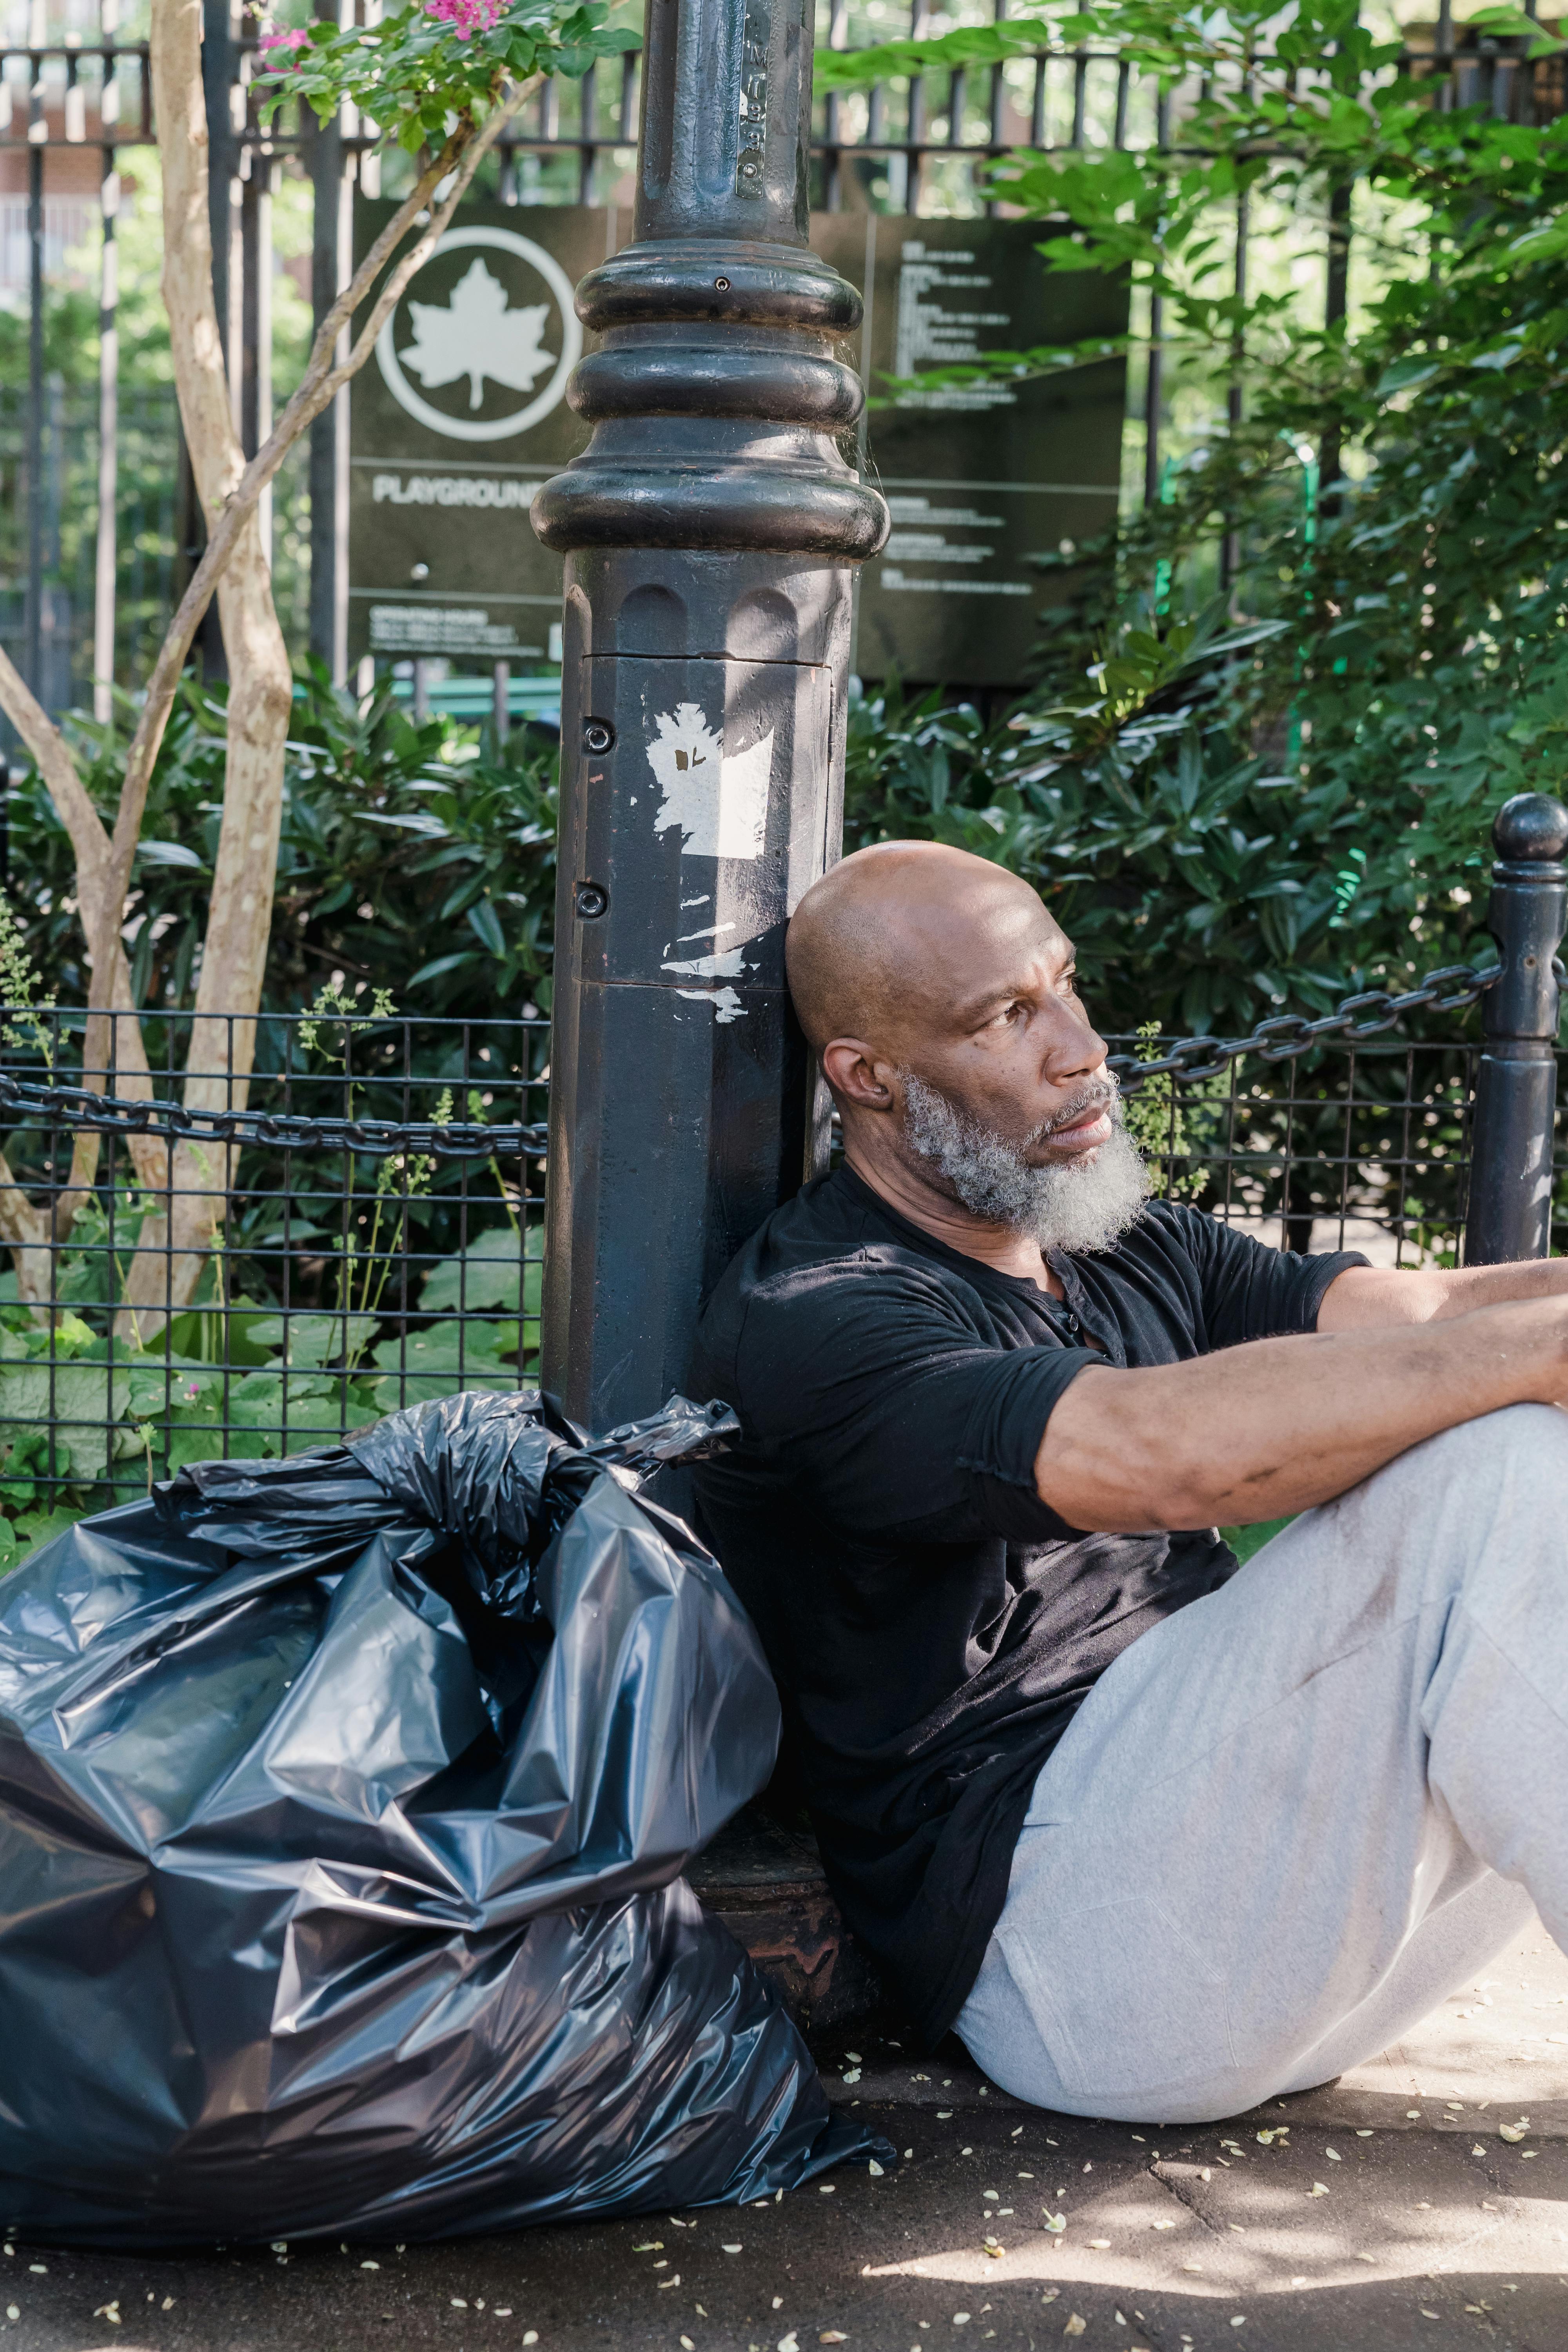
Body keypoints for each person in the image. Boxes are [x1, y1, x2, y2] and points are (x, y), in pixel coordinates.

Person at [689, 838, 1568, 2122]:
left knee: (1511, 1420)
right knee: (1496, 1459)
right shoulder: (820, 1314)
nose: (1080, 1048)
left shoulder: (1112, 1237)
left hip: (1318, 1933)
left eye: (1064, 986)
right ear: (869, 1077)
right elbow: (1149, 1455)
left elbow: (1413, 1308)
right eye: (1008, 1017)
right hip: (1078, 1961)